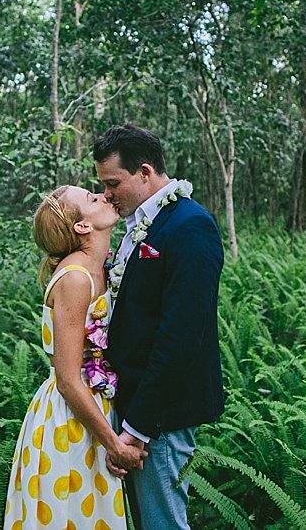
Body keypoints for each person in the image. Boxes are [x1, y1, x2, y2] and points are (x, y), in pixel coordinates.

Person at [94, 124, 225, 530]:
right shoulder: (136, 223)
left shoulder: (189, 225)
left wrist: (138, 428)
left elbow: (182, 336)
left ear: (145, 172)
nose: (106, 194)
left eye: (113, 182)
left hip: (160, 414)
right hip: (129, 400)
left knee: (162, 524)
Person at [3, 185, 147, 530]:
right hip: (71, 420)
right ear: (82, 226)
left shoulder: (101, 268)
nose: (102, 196)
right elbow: (68, 378)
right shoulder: (75, 279)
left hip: (95, 407)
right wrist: (113, 444)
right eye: (91, 198)